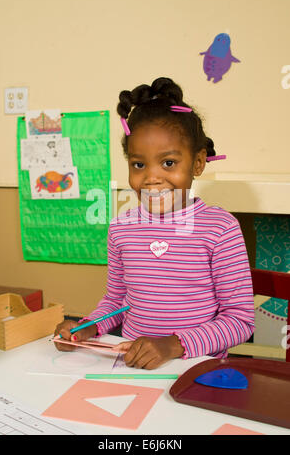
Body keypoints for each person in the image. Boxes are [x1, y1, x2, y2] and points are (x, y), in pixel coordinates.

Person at [54, 77, 255, 369]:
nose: (151, 177)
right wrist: (87, 326)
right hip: (131, 363)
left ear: (198, 163)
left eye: (169, 163)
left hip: (196, 368)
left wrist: (173, 345)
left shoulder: (220, 229)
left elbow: (239, 320)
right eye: (138, 164)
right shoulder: (121, 228)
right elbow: (117, 300)